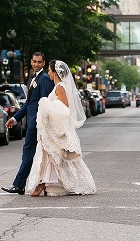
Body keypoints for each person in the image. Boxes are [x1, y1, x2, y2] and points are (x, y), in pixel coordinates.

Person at [26, 60, 97, 196]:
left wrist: (47, 105)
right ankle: (46, 183)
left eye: (49, 70)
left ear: (55, 72)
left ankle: (43, 184)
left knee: (53, 155)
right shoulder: (58, 86)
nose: (48, 73)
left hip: (58, 128)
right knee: (51, 156)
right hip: (52, 128)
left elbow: (65, 109)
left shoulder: (60, 86)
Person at [1, 52, 54, 194]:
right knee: (31, 154)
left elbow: (45, 104)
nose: (36, 64)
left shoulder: (44, 79)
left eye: (39, 62)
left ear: (43, 63)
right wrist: (15, 118)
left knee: (29, 153)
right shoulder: (33, 79)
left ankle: (19, 184)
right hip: (32, 123)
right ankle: (30, 184)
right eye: (34, 61)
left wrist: (41, 124)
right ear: (31, 62)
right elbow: (28, 104)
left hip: (37, 124)